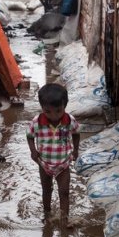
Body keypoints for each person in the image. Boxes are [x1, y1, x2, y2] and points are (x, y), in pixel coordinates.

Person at [27, 83, 80, 228]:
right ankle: (47, 214)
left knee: (64, 192)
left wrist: (75, 150)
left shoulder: (69, 120)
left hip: (63, 164)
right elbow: (30, 135)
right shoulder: (37, 122)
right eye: (48, 111)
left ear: (65, 106)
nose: (54, 116)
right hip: (44, 163)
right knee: (47, 189)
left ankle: (65, 219)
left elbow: (76, 134)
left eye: (58, 111)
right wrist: (33, 151)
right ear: (42, 108)